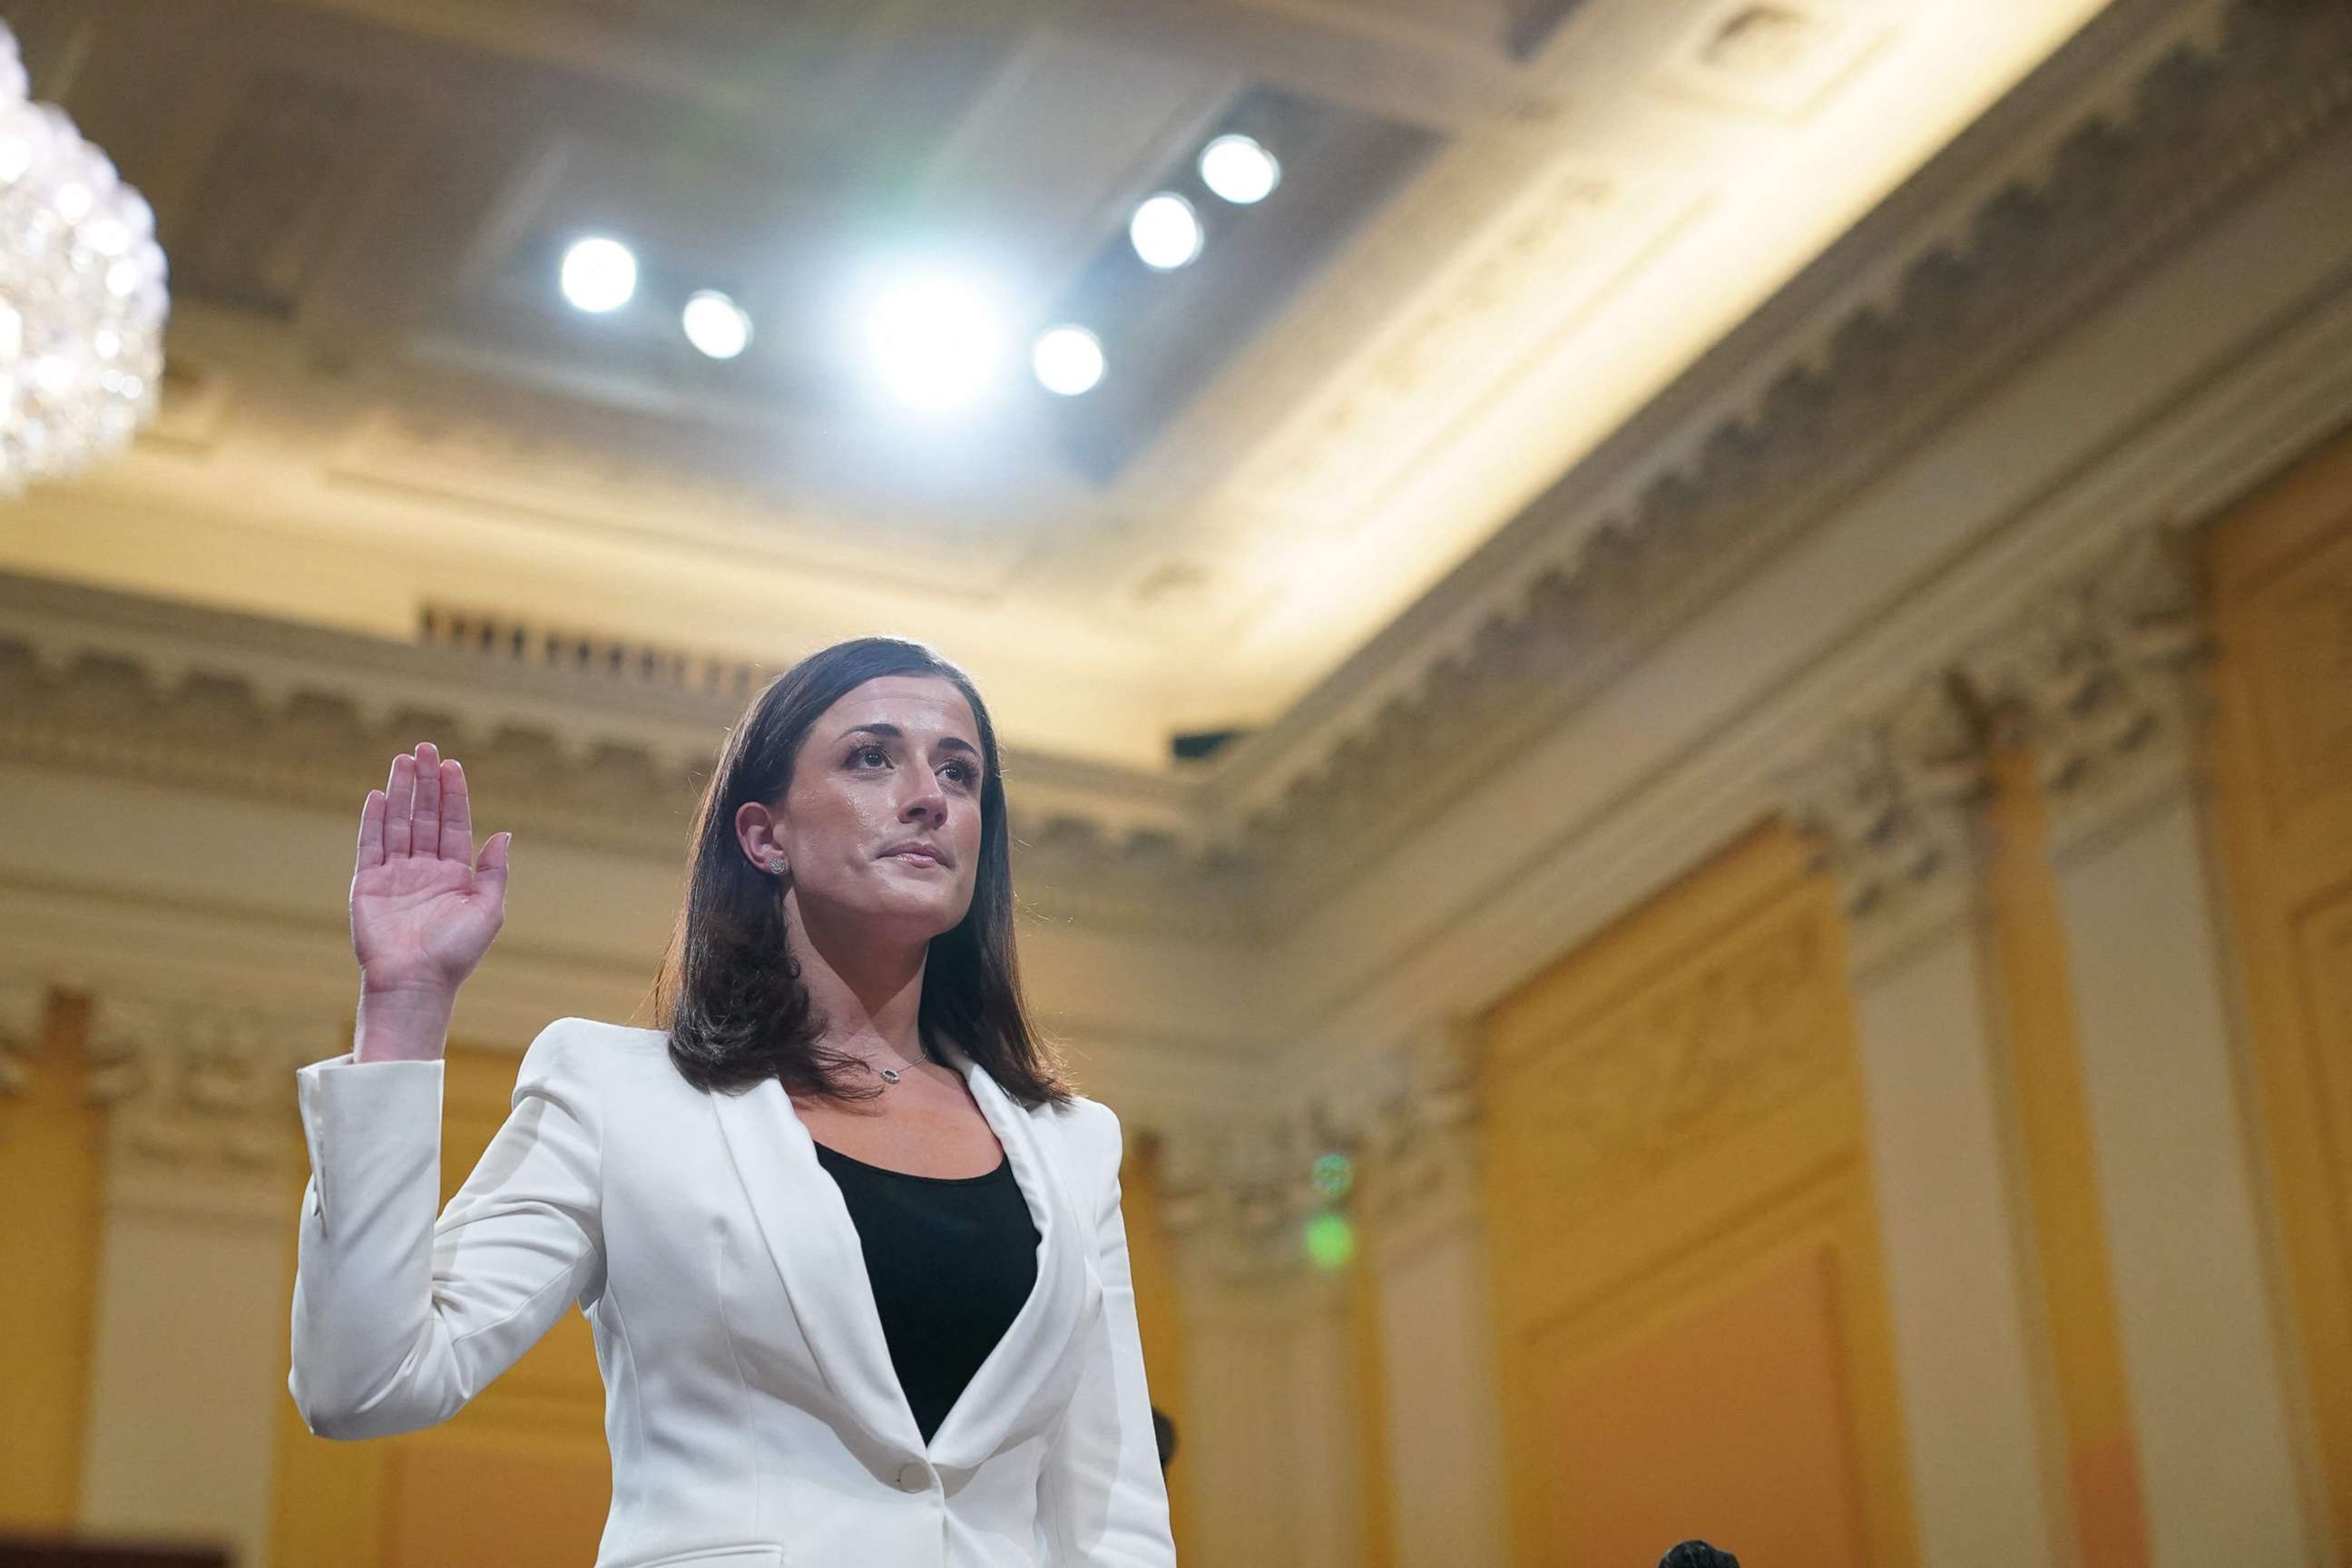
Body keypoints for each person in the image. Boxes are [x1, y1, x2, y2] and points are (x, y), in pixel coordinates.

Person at [288, 636, 1178, 1568]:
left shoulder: (1076, 1145)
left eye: (959, 772)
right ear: (763, 834)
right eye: (871, 756)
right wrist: (404, 1006)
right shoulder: (615, 1094)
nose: (929, 796)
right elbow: (365, 1384)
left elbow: (1111, 1516)